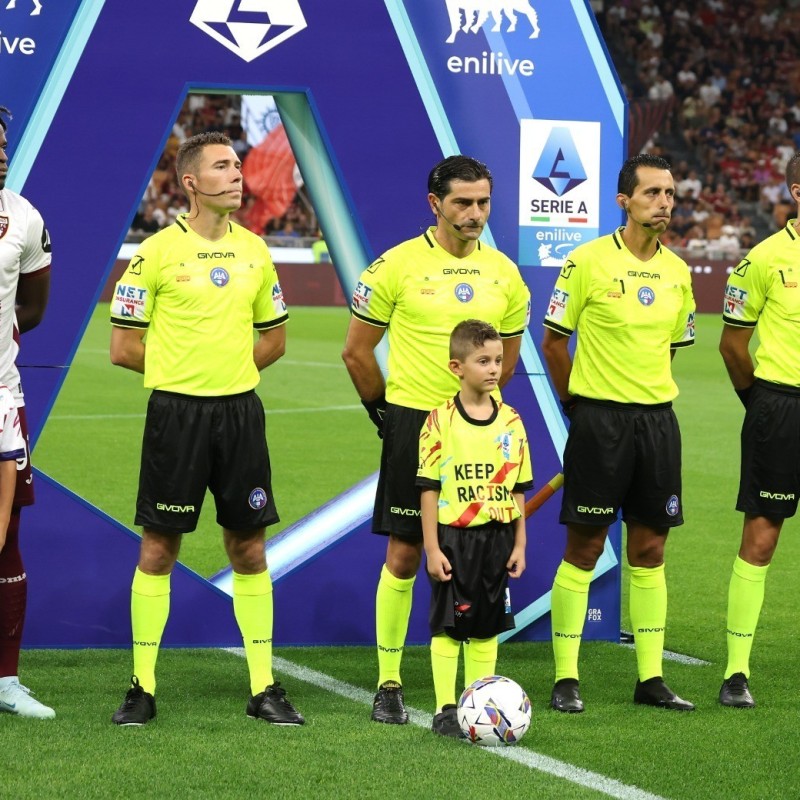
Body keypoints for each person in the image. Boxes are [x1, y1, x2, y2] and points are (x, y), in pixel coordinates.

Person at [109, 131, 303, 726]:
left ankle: (264, 687)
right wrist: (184, 375)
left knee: (249, 547)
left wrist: (231, 372)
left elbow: (274, 337)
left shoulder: (255, 250)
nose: (238, 173)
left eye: (238, 164)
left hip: (241, 413)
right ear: (191, 182)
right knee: (160, 547)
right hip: (177, 414)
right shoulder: (155, 254)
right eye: (223, 166)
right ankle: (142, 688)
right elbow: (122, 347)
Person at [342, 155, 530, 725]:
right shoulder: (395, 266)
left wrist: (479, 415)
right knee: (405, 554)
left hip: (480, 436)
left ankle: (471, 686)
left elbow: (508, 362)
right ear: (435, 204)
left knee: (479, 561)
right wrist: (388, 417)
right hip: (412, 425)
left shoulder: (506, 273)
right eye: (462, 203)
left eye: (483, 203)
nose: (475, 214)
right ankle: (390, 681)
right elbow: (356, 352)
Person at [541, 153, 696, 714]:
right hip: (599, 421)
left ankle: (650, 679)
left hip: (657, 423)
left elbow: (674, 348)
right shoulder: (586, 262)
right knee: (584, 547)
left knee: (651, 548)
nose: (665, 203)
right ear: (623, 201)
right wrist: (574, 406)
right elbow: (554, 341)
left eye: (671, 193)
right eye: (653, 193)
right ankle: (565, 678)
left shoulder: (678, 272)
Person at [417, 320, 531, 737]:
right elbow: (428, 490)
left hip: (497, 538)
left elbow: (519, 488)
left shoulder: (512, 422)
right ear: (456, 367)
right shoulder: (439, 422)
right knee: (449, 625)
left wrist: (519, 541)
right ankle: (445, 708)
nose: (493, 368)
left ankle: (478, 702)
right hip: (453, 538)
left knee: (487, 625)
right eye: (482, 360)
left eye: (498, 360)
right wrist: (431, 548)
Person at [717, 151, 800, 709]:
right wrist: (761, 404)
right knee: (763, 535)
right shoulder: (764, 259)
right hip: (782, 407)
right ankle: (736, 672)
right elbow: (732, 344)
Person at [0, 106, 54, 720]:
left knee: (6, 539)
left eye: (5, 141)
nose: (2, 151)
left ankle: (5, 680)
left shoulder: (25, 215)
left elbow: (31, 307)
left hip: (3, 401)